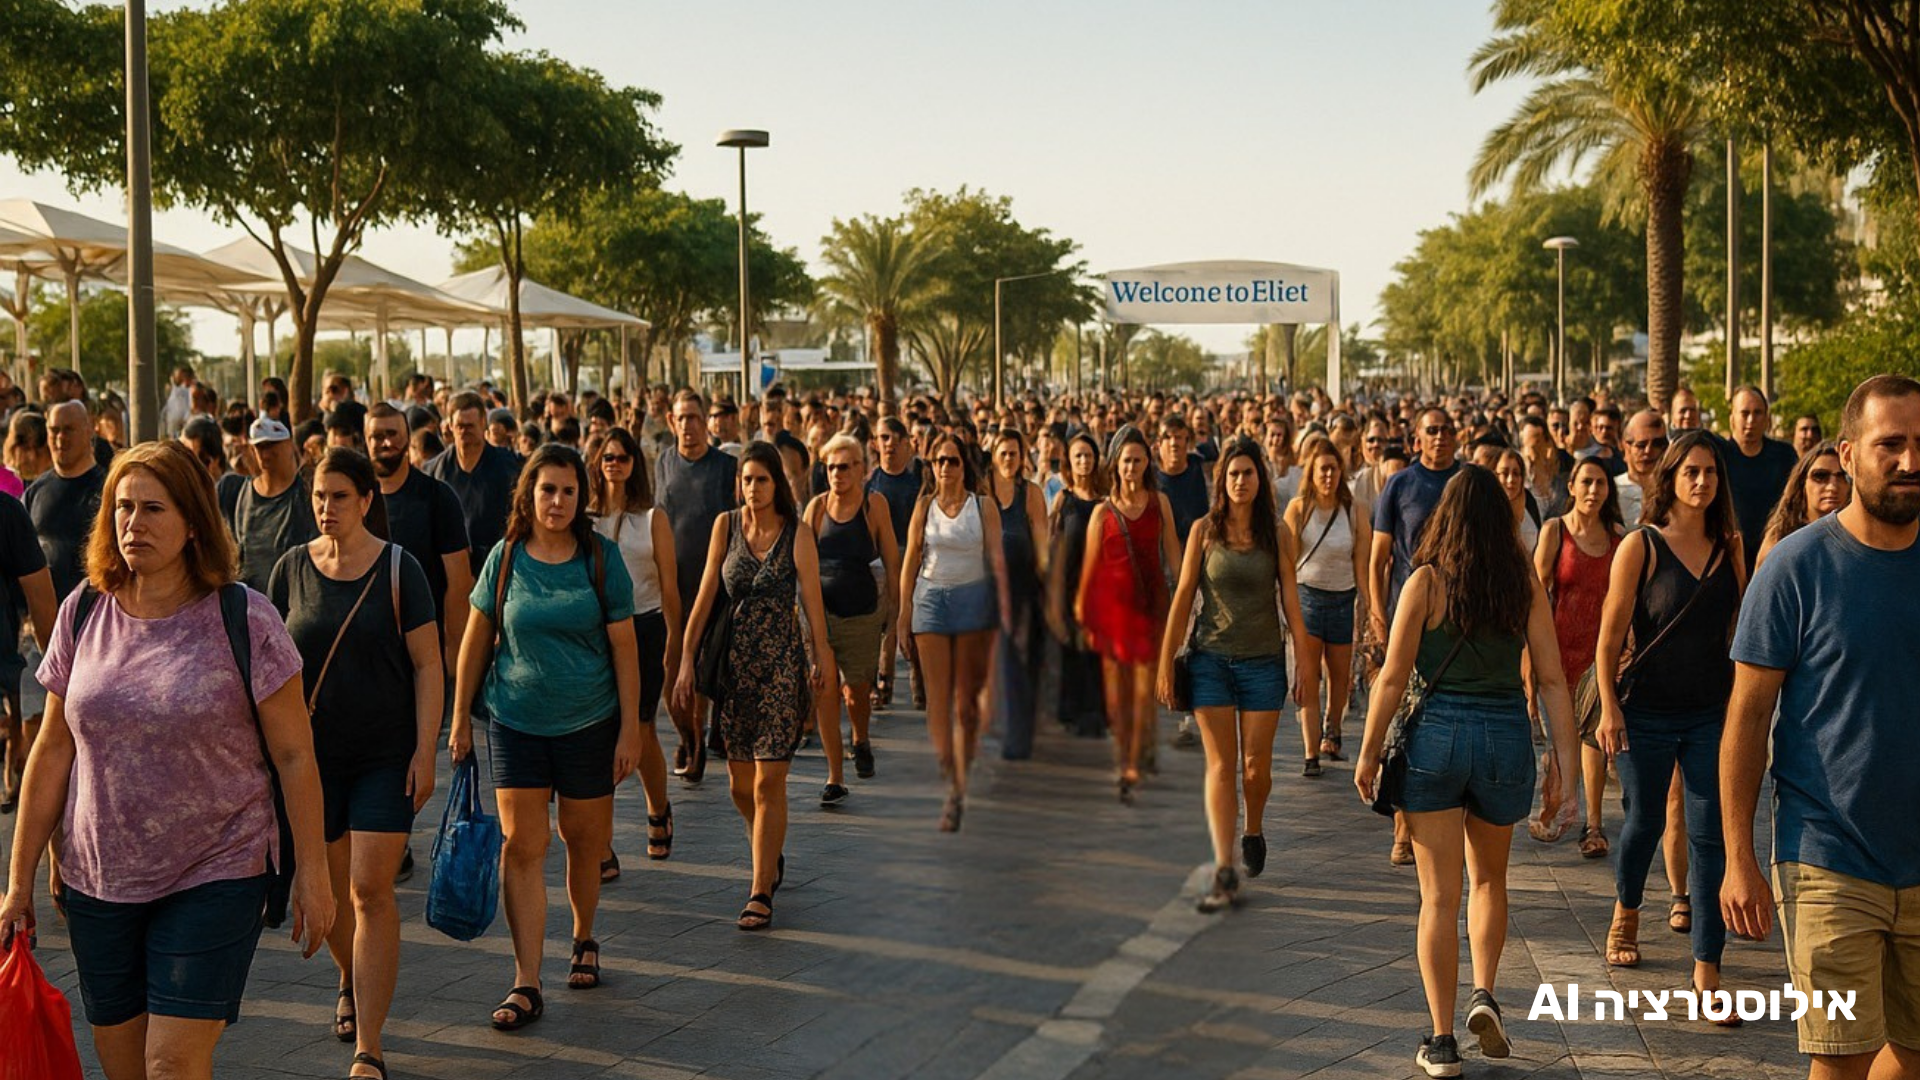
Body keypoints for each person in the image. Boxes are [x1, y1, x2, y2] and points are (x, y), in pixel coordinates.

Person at [0, 441, 334, 1080]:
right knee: (126, 1069)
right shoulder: (83, 611)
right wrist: (18, 881)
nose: (134, 523)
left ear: (192, 523)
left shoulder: (246, 619)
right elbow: (52, 749)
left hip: (218, 867)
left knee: (171, 1064)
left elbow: (294, 754)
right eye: (123, 508)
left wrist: (312, 872)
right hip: (100, 877)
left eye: (153, 508)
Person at [1722, 375, 1920, 1080]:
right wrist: (1739, 854)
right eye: (1890, 444)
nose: (1909, 460)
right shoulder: (1795, 567)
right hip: (1827, 852)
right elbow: (1747, 718)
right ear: (1849, 451)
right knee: (1841, 1058)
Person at [1354, 466, 1579, 1078]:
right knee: (1489, 883)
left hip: (1436, 734)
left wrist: (1369, 750)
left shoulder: (1425, 583)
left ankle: (1442, 1040)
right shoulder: (1522, 585)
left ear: (1443, 517)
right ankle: (1485, 991)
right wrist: (1568, 766)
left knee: (1438, 896)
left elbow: (1394, 676)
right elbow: (1553, 679)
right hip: (1505, 732)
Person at [450, 444, 641, 1030]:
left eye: (567, 491)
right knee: (522, 846)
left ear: (581, 498)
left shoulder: (601, 559)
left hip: (590, 722)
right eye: (546, 490)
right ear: (528, 495)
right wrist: (459, 717)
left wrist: (631, 727)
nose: (556, 501)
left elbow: (626, 648)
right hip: (514, 722)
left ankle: (584, 936)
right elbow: (476, 640)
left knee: (583, 841)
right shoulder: (505, 557)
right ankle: (526, 980)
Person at [268, 449, 442, 1080]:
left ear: (366, 500)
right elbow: (269, 668)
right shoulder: (291, 570)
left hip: (385, 756)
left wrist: (426, 749)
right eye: (319, 496)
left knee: (370, 890)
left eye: (339, 496)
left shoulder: (401, 569)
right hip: (311, 762)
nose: (326, 507)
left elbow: (428, 663)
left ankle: (370, 1046)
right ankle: (350, 975)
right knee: (334, 897)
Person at [1590, 430, 1746, 1016]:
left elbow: (1743, 631)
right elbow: (1608, 641)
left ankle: (1708, 971)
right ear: (1672, 477)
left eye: (1710, 472)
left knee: (1712, 840)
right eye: (1691, 472)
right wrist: (1608, 706)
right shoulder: (1642, 545)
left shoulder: (1730, 546)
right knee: (1644, 822)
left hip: (1711, 713)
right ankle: (1626, 910)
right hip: (1644, 713)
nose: (1701, 481)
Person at [674, 442, 835, 927]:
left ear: (776, 484)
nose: (753, 488)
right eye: (746, 480)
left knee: (769, 782)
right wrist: (685, 658)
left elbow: (811, 604)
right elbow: (704, 597)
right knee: (739, 786)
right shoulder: (726, 527)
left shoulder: (798, 534)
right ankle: (770, 848)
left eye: (762, 480)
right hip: (733, 669)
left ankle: (760, 887)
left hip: (781, 666)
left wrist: (821, 658)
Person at [1160, 437, 1309, 911]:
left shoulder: (1278, 533)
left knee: (1254, 769)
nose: (1241, 481)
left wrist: (1304, 662)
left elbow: (1290, 601)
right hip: (1210, 660)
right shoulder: (1204, 531)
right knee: (1222, 767)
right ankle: (1224, 868)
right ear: (1221, 481)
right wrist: (1166, 661)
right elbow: (1183, 597)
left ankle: (1254, 827)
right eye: (1233, 474)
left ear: (1260, 479)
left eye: (1249, 473)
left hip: (1264, 661)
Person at [899, 432, 1009, 828]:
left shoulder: (983, 506)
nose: (945, 468)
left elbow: (997, 563)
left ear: (965, 466)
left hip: (972, 603)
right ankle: (951, 780)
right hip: (930, 602)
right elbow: (912, 557)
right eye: (938, 461)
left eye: (952, 461)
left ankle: (961, 780)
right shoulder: (924, 506)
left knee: (965, 704)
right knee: (937, 701)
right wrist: (903, 611)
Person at [1370, 408, 1463, 865]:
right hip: (1407, 616)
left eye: (1447, 430)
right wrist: (1376, 611)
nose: (1440, 437)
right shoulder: (1400, 485)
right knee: (1403, 719)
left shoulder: (1467, 482)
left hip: (1459, 622)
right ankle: (1403, 826)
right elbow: (1379, 556)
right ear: (1417, 437)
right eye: (1432, 430)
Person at [588, 428, 680, 866]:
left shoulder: (652, 518)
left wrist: (676, 645)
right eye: (608, 456)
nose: (615, 463)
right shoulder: (583, 518)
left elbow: (670, 586)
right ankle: (602, 844)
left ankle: (658, 808)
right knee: (598, 734)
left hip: (645, 627)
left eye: (623, 457)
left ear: (634, 464)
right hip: (595, 631)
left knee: (641, 730)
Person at [1076, 426, 1181, 802]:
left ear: (1147, 462)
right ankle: (1127, 755)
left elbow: (1175, 558)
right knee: (1116, 699)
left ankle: (1131, 765)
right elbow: (1089, 573)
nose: (1132, 467)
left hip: (1152, 611)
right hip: (1113, 617)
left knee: (1141, 692)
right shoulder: (1101, 513)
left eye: (1138, 460)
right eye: (1126, 461)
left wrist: (1185, 607)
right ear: (1115, 464)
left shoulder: (1160, 503)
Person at [1529, 457, 1625, 853]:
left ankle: (1594, 825)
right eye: (1586, 482)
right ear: (1572, 487)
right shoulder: (1555, 532)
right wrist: (1528, 657)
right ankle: (1556, 800)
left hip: (1600, 654)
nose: (1592, 490)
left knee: (1592, 738)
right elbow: (1535, 594)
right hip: (1556, 649)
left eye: (1600, 483)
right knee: (1560, 738)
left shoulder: (1620, 538)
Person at [804, 434, 900, 800]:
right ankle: (834, 777)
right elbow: (802, 560)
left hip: (862, 615)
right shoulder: (815, 508)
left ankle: (860, 737)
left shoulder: (874, 506)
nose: (837, 473)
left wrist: (894, 609)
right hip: (823, 614)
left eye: (844, 466)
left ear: (861, 469)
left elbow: (892, 560)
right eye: (831, 467)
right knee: (825, 690)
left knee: (855, 692)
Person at [654, 390, 739, 781]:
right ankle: (688, 733)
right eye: (681, 417)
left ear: (706, 421)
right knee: (669, 669)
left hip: (715, 585)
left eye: (693, 417)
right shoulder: (663, 462)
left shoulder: (726, 467)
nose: (687, 425)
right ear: (671, 422)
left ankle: (699, 738)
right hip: (671, 583)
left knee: (703, 666)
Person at [1285, 434, 1372, 771]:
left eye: (1333, 469)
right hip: (1308, 597)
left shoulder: (1354, 510)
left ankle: (1332, 733)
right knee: (1308, 676)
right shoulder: (1299, 508)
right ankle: (1310, 753)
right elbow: (1288, 563)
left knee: (1339, 676)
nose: (1328, 476)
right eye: (1322, 469)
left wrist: (1368, 607)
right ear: (1311, 472)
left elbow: (1361, 563)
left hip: (1342, 598)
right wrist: (1286, 607)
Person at [367, 403, 473, 660]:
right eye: (377, 436)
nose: (386, 443)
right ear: (365, 441)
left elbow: (459, 582)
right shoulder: (354, 499)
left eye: (393, 434)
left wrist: (453, 650)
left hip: (426, 646)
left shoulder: (437, 497)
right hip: (369, 648)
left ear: (407, 439)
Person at [987, 427, 1051, 760]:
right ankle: (1000, 723)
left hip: (1024, 591)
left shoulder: (1032, 494)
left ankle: (1019, 732)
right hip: (987, 590)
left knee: (1021, 661)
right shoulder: (982, 492)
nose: (1009, 459)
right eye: (1003, 453)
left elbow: (1042, 545)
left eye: (1014, 453)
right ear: (993, 455)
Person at [1048, 432, 1110, 739]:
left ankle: (1095, 714)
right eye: (1078, 456)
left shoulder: (1108, 500)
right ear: (1069, 463)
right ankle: (1070, 713)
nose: (1084, 461)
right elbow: (1052, 545)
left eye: (1088, 455)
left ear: (1096, 459)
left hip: (1100, 588)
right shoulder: (1063, 500)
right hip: (1068, 587)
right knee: (1071, 650)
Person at [424, 391, 522, 582]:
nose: (465, 431)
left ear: (484, 423)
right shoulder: (433, 472)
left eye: (470, 426)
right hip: (448, 574)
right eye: (460, 426)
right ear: (450, 426)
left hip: (500, 570)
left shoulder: (509, 468)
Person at [866, 416, 923, 709]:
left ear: (905, 444)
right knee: (884, 624)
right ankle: (882, 682)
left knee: (913, 621)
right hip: (878, 565)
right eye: (881, 438)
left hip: (913, 561)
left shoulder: (918, 484)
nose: (886, 445)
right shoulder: (870, 483)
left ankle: (919, 682)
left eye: (892, 439)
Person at [26, 400, 105, 603]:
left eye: (69, 429)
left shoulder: (110, 492)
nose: (60, 438)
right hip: (48, 622)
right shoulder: (34, 493)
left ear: (89, 430)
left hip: (97, 617)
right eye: (54, 430)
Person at [228, 416, 318, 595]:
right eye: (259, 447)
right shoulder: (239, 492)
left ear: (289, 445)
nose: (265, 454)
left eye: (271, 445)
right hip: (252, 606)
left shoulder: (307, 493)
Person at [1719, 386, 1798, 574]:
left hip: (1775, 555)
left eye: (1757, 413)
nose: (1750, 420)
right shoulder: (1718, 455)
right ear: (1732, 419)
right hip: (1727, 557)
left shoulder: (1784, 456)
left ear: (1767, 419)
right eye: (1744, 413)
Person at [1755, 440, 1850, 568]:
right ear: (1802, 483)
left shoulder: (1858, 536)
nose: (1832, 486)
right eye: (1820, 476)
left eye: (1842, 476)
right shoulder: (1781, 534)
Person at [1616, 410, 1669, 525]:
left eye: (1657, 444)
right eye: (1641, 445)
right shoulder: (1609, 490)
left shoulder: (1673, 490)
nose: (1648, 451)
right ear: (1626, 446)